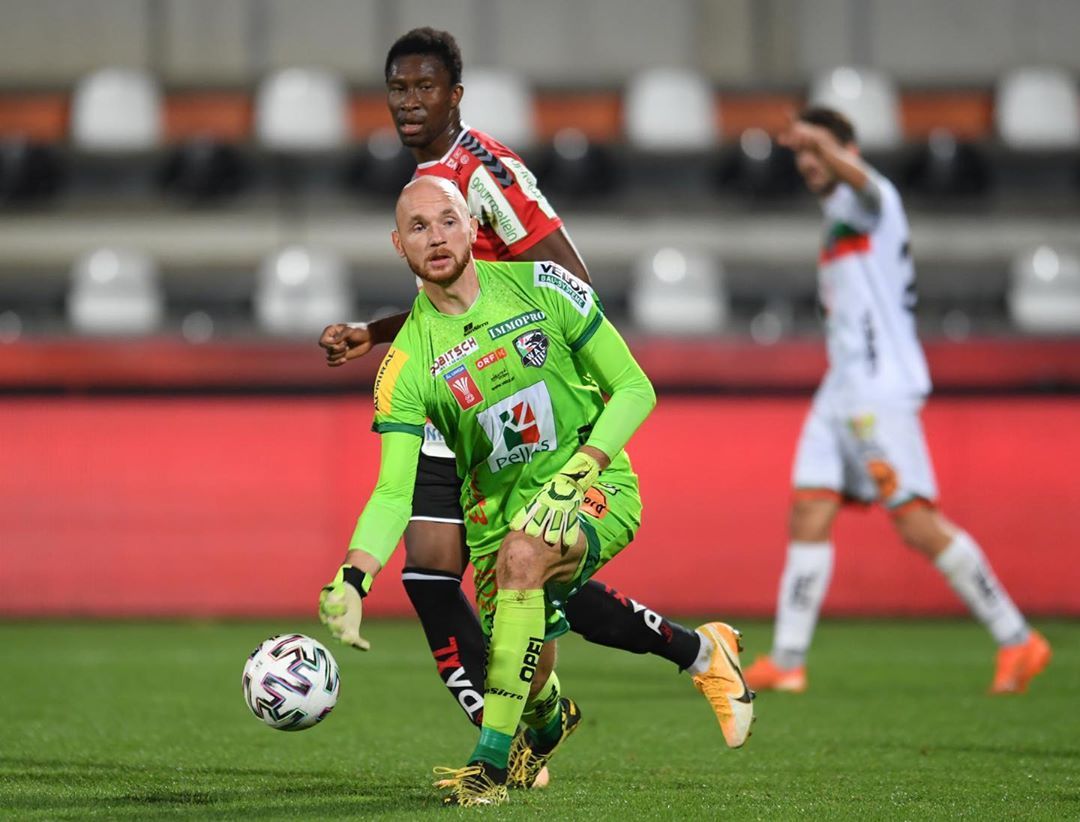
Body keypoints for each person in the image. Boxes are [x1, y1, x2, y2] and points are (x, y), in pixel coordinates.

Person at [320, 26, 732, 747]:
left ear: (455, 95)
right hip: (457, 394)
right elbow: (453, 301)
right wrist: (380, 333)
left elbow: (566, 278)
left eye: (424, 87)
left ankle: (517, 741)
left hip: (515, 400)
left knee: (513, 578)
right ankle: (659, 669)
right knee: (471, 581)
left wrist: (527, 362)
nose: (409, 102)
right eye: (398, 89)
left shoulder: (482, 172)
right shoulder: (431, 182)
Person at [319, 176, 754, 806]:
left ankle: (489, 765)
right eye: (418, 227)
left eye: (448, 221)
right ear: (398, 245)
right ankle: (556, 721)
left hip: (593, 484)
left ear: (473, 227)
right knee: (529, 673)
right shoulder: (404, 365)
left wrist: (578, 474)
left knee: (526, 555)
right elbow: (393, 493)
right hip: (495, 520)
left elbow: (635, 388)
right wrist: (353, 578)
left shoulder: (543, 286)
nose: (436, 237)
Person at [743, 107, 1051, 695]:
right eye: (801, 152)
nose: (808, 161)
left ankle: (1017, 638)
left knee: (915, 522)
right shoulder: (838, 217)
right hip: (840, 387)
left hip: (879, 389)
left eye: (819, 149)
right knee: (809, 510)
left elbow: (865, 183)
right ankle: (787, 660)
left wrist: (823, 145)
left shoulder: (874, 201)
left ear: (850, 150)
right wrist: (819, 145)